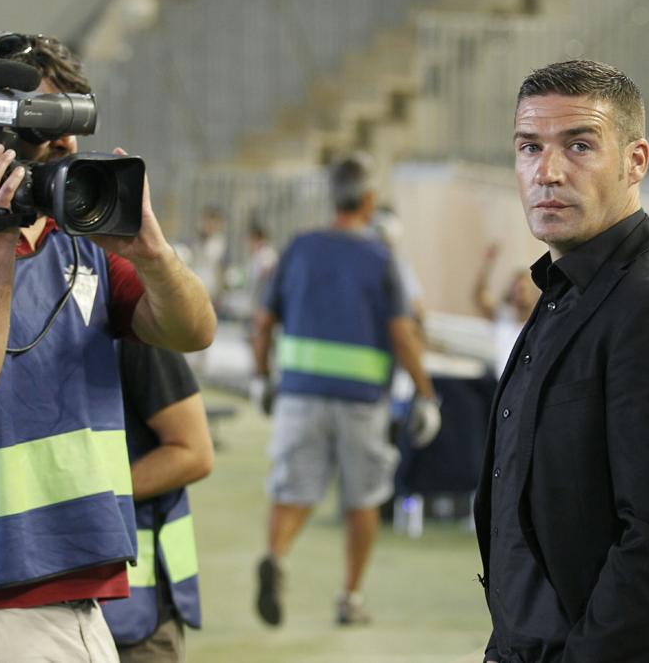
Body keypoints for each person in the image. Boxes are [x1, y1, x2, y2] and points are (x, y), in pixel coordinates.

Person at [0, 32, 216, 662]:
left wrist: (154, 255)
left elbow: (193, 331)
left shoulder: (79, 246)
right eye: (43, 123)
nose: (66, 145)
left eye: (73, 124)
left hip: (50, 596)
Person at [474, 59, 649, 663]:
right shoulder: (568, 290)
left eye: (580, 145)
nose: (548, 171)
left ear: (635, 161)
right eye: (529, 147)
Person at [250, 155, 440, 627]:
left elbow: (263, 322)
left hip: (299, 393)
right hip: (360, 403)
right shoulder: (380, 259)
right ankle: (349, 597)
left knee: (294, 486)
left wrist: (260, 377)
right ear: (369, 201)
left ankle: (276, 555)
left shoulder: (298, 248)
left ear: (333, 197)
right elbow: (402, 333)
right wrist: (426, 394)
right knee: (363, 499)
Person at [102, 342, 214, 663]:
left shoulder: (133, 333)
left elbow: (194, 453)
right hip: (33, 612)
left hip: (134, 621)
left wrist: (86, 503)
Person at [473, 242, 537, 374]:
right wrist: (487, 263)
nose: (521, 294)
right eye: (517, 289)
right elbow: (479, 296)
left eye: (523, 289)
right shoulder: (503, 319)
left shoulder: (539, 321)